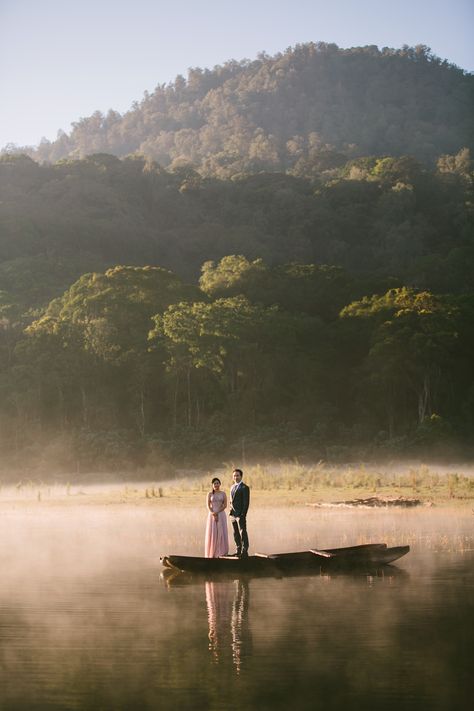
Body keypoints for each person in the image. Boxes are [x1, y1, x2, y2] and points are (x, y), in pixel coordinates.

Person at [205, 477, 229, 558]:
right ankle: (213, 553)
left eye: (217, 483)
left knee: (221, 532)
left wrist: (217, 513)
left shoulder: (223, 493)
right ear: (212, 485)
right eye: (215, 483)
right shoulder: (209, 494)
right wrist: (213, 513)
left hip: (221, 514)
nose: (216, 485)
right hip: (212, 515)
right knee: (213, 532)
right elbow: (208, 505)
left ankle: (221, 552)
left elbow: (225, 505)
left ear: (220, 484)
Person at [229, 468, 250, 558]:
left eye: (237, 475)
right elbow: (231, 501)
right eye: (234, 475)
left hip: (240, 515)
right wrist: (230, 512)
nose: (236, 477)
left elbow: (246, 503)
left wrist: (242, 515)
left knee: (243, 532)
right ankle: (238, 550)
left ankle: (244, 551)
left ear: (241, 476)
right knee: (235, 533)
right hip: (233, 514)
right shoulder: (232, 487)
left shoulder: (245, 487)